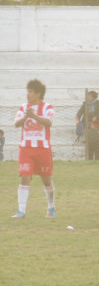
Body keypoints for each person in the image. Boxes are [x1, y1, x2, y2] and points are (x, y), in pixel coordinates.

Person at [12, 79, 56, 218]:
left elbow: (49, 122)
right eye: (28, 91)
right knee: (25, 178)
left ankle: (51, 207)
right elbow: (16, 124)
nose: (28, 94)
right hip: (26, 148)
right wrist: (26, 116)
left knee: (46, 180)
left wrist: (34, 116)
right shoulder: (23, 107)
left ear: (38, 94)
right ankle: (21, 211)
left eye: (30, 92)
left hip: (43, 149)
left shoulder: (47, 107)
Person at [76, 90, 99, 161]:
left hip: (97, 125)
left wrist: (97, 117)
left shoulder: (98, 103)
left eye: (88, 96)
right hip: (87, 126)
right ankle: (90, 160)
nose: (87, 97)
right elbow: (79, 112)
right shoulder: (85, 104)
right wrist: (77, 120)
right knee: (89, 142)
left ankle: (97, 159)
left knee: (96, 142)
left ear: (93, 97)